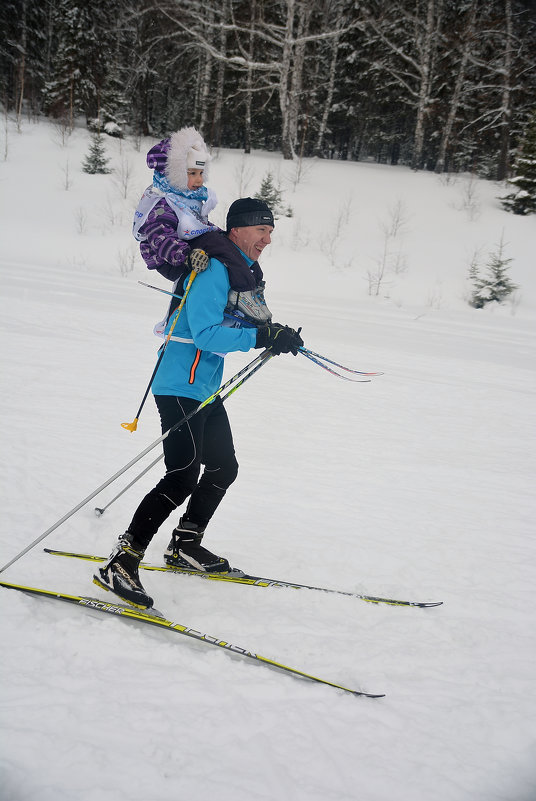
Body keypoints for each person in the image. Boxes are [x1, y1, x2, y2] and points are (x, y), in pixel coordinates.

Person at [94, 197, 304, 609]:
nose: (267, 239)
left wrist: (275, 334)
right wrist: (260, 339)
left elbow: (240, 321)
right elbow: (206, 334)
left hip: (202, 386)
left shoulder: (240, 270)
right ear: (238, 230)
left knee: (224, 466)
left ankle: (185, 546)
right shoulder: (214, 270)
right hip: (178, 384)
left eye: (271, 232)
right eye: (262, 230)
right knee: (182, 475)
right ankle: (122, 561)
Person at [133, 126, 271, 326]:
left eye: (201, 173)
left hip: (185, 250)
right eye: (192, 173)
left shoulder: (184, 198)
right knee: (219, 244)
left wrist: (219, 234)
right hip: (170, 259)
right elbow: (159, 237)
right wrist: (186, 256)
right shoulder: (163, 203)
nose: (199, 180)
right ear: (176, 174)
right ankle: (241, 292)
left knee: (233, 247)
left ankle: (253, 288)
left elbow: (198, 225)